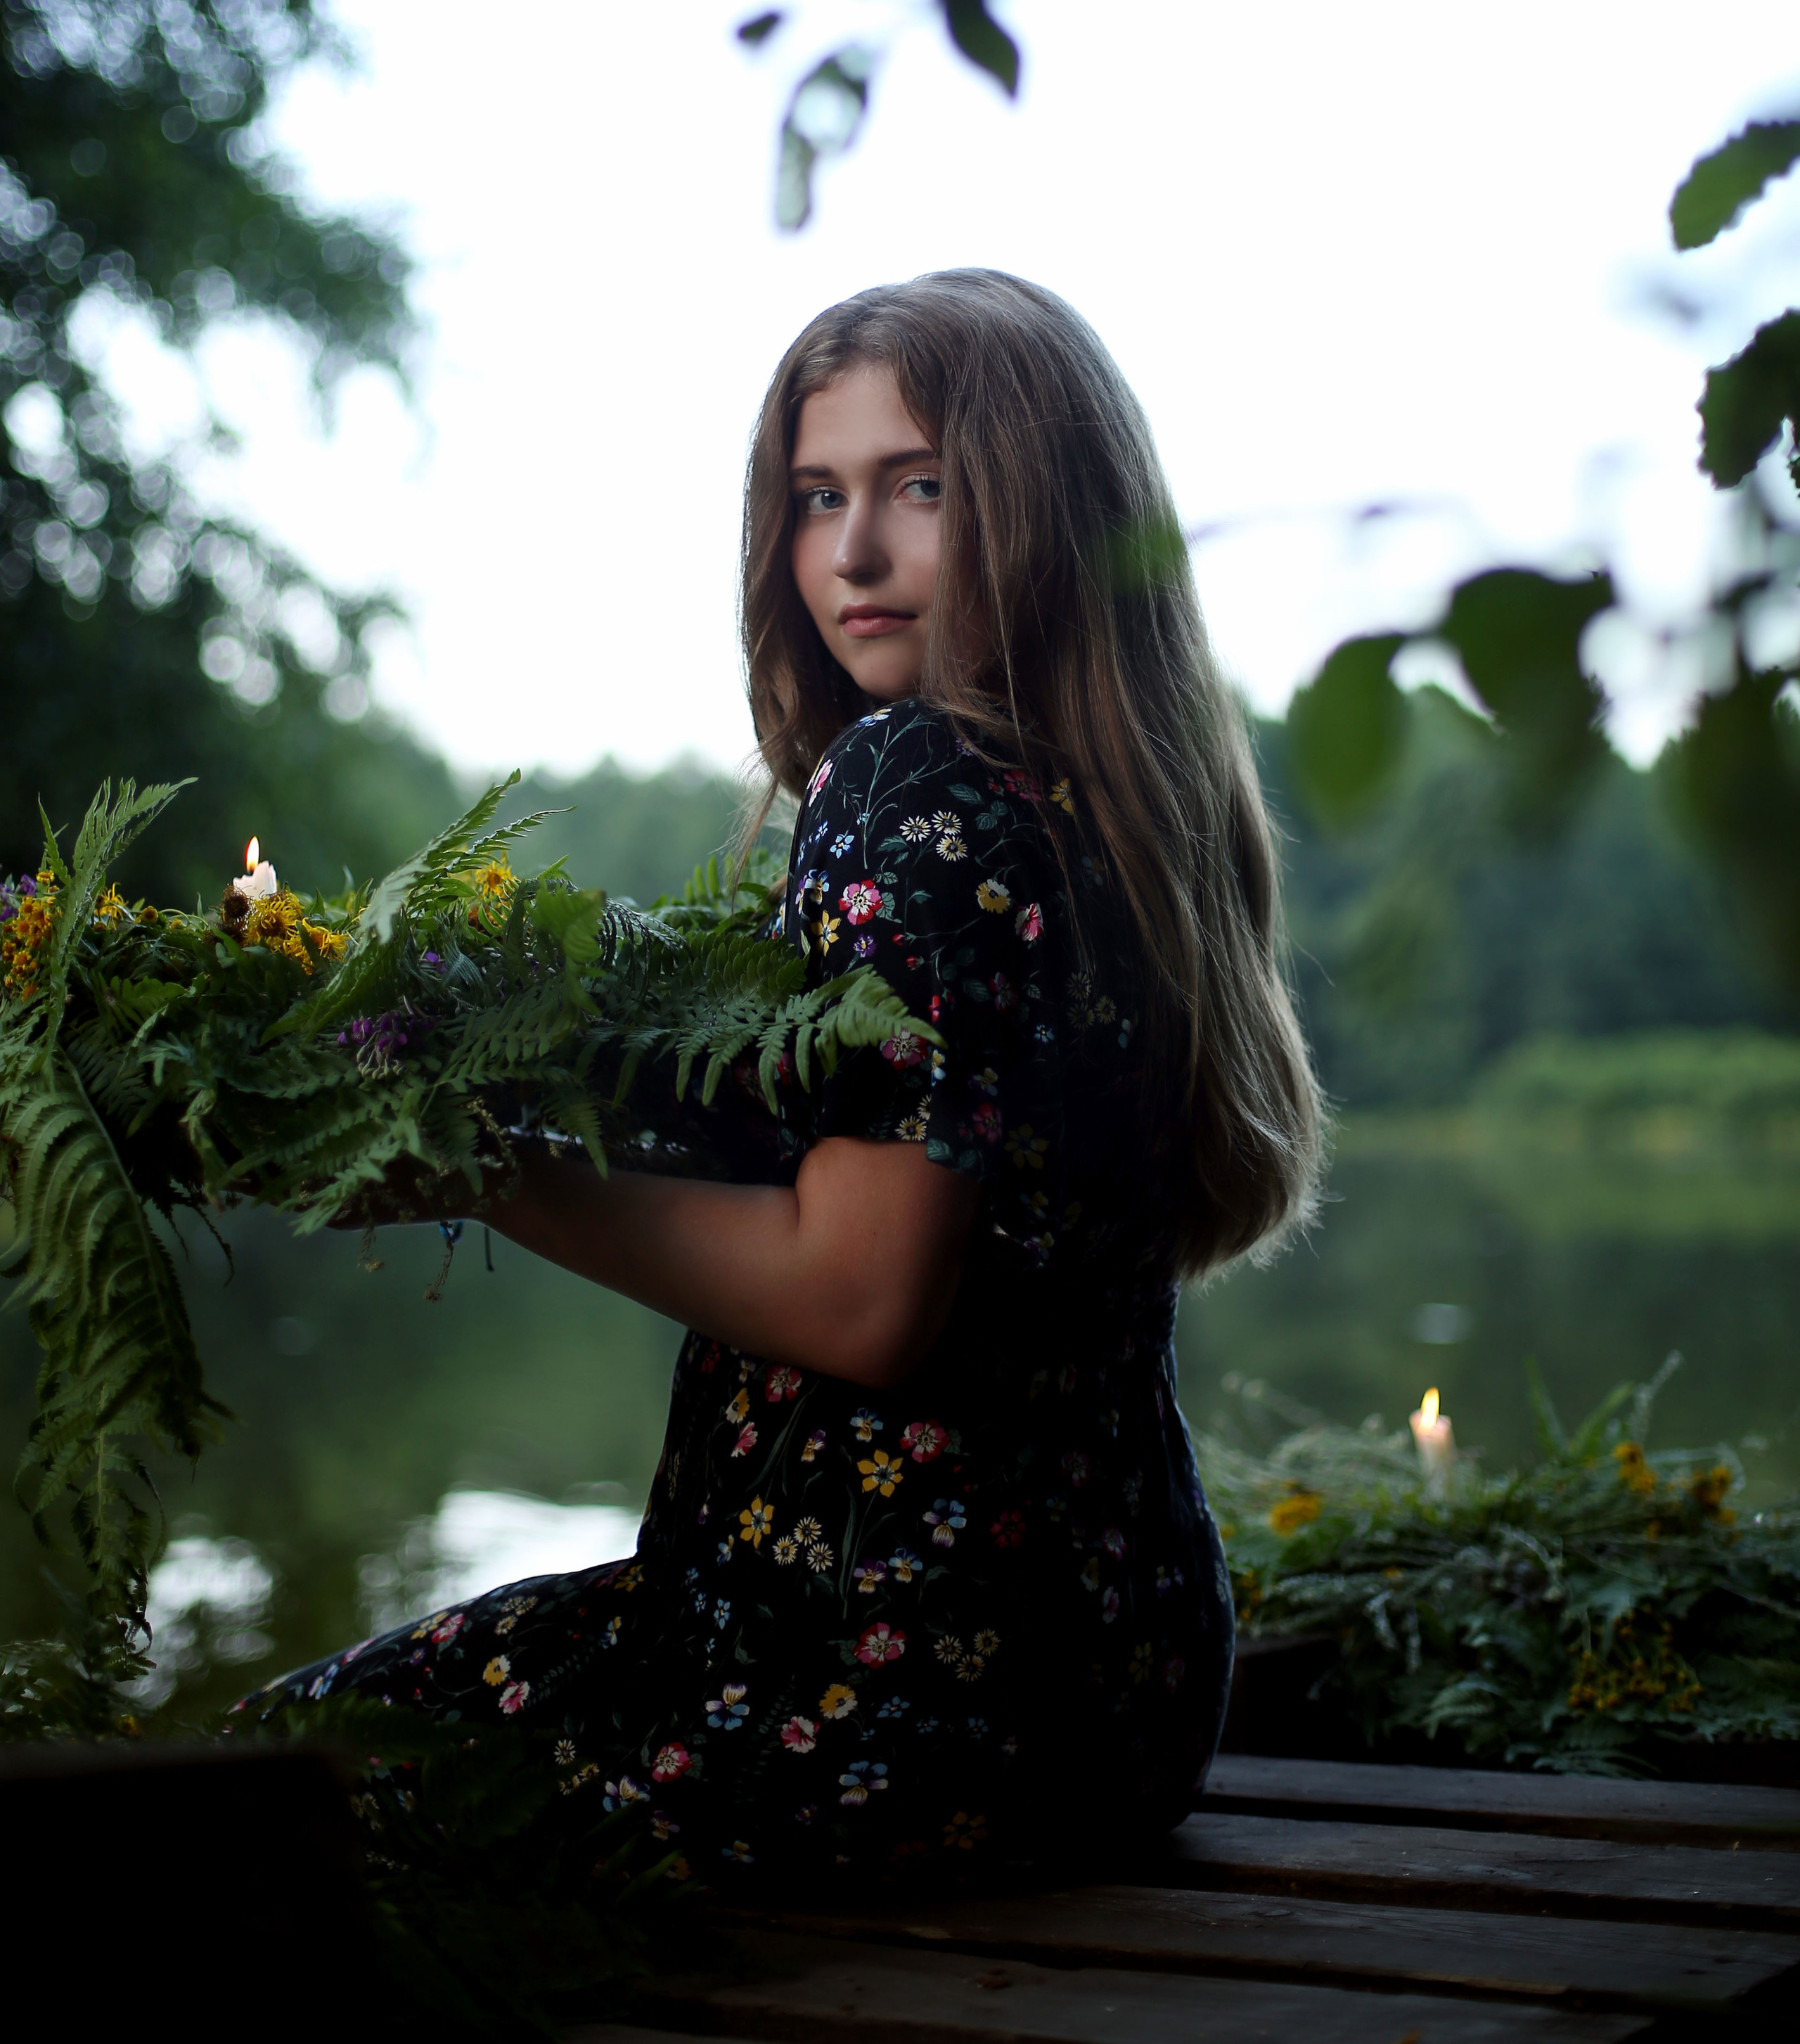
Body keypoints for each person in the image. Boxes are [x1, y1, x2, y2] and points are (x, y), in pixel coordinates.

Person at [241, 270, 1323, 1880]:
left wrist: (479, 1169)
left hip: (854, 1687)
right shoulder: (1132, 814)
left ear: (1044, 510)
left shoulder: (908, 781)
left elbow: (855, 1299)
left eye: (919, 489)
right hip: (1123, 1685)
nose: (850, 556)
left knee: (240, 1800)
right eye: (816, 496)